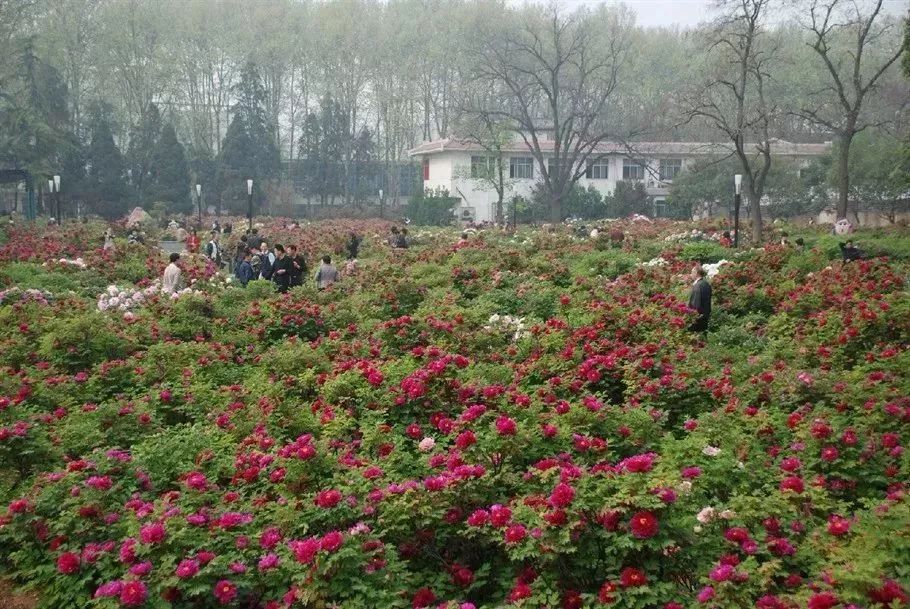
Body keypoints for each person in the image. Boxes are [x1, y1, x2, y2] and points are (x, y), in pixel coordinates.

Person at [688, 264, 712, 333]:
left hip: (698, 318)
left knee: (696, 339)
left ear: (696, 273)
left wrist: (692, 316)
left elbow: (695, 303)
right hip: (705, 316)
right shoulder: (706, 284)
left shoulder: (697, 286)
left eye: (692, 272)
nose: (691, 275)